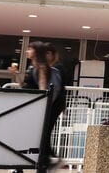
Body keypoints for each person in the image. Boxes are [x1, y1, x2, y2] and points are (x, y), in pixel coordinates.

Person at [23, 41, 64, 172]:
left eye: (30, 49)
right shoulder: (37, 67)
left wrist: (43, 107)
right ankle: (46, 161)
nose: (27, 51)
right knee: (42, 135)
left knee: (43, 135)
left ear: (36, 52)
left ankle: (47, 161)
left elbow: (46, 90)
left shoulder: (42, 67)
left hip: (49, 107)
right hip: (46, 107)